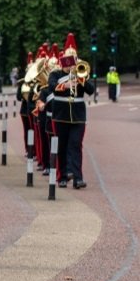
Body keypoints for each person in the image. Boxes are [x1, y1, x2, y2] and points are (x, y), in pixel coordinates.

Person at [48, 33, 94, 189]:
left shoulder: (81, 74)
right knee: (61, 146)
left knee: (75, 145)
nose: (71, 65)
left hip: (78, 115)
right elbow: (52, 87)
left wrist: (82, 78)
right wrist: (66, 84)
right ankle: (62, 176)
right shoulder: (56, 74)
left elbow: (91, 90)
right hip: (60, 115)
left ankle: (78, 178)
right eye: (68, 61)